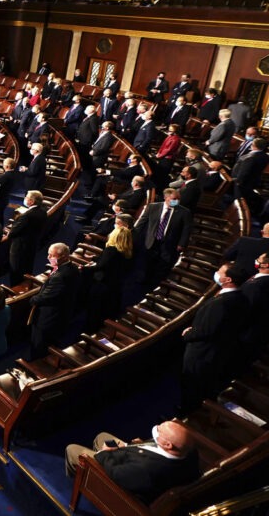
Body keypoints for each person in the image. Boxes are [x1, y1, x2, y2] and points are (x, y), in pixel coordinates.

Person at [64, 421, 199, 505]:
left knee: (72, 449)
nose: (156, 428)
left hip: (119, 480)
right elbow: (154, 452)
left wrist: (104, 453)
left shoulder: (146, 470)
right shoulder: (189, 452)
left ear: (168, 444)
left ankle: (81, 477)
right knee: (103, 436)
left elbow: (116, 474)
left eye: (159, 431)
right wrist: (139, 445)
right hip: (134, 461)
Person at [180, 262, 250, 412]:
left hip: (202, 353)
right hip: (217, 351)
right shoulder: (241, 297)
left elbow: (207, 331)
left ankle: (185, 414)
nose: (217, 273)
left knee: (192, 385)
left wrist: (188, 334)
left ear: (228, 280)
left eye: (220, 272)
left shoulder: (221, 303)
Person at [85, 214, 133, 332]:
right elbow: (109, 262)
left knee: (95, 308)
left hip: (103, 283)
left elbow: (102, 266)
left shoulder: (111, 249)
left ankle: (91, 330)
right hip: (114, 284)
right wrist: (95, 259)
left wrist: (85, 268)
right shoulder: (126, 250)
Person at [135, 187, 192, 284]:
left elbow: (186, 230)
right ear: (166, 198)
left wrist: (181, 244)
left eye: (178, 199)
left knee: (162, 265)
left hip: (169, 243)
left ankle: (155, 283)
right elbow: (142, 223)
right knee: (147, 262)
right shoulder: (153, 207)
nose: (177, 201)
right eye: (174, 199)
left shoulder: (184, 212)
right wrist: (133, 235)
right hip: (152, 241)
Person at [7, 190, 47, 282]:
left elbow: (13, 232)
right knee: (27, 268)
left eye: (26, 197)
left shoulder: (27, 216)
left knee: (16, 271)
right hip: (32, 245)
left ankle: (14, 290)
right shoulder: (42, 211)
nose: (24, 199)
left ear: (32, 201)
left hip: (19, 248)